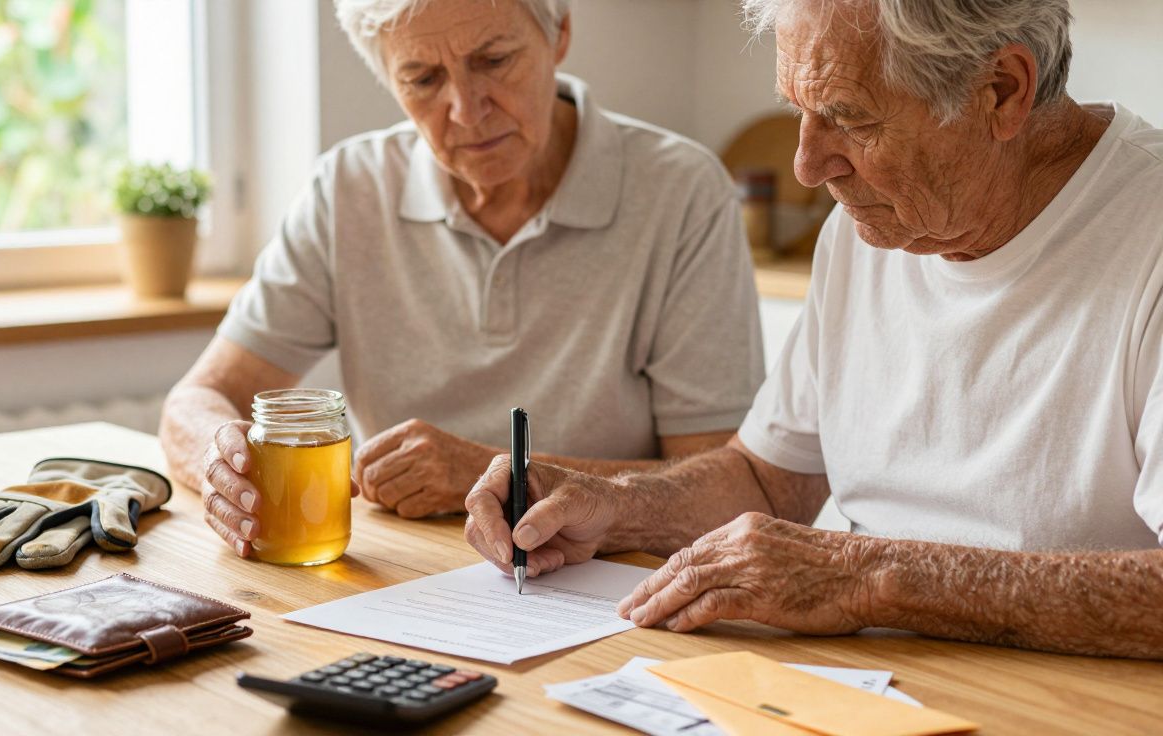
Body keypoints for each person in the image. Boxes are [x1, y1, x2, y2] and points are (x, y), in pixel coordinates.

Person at [464, 0, 1163, 658]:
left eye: (850, 119)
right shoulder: (868, 228)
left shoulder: (1145, 234)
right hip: (859, 687)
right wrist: (612, 506)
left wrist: (868, 578)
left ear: (1003, 91)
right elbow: (769, 481)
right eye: (799, 111)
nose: (806, 165)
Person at [159, 0, 764, 556]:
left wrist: (499, 473)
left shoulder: (682, 191)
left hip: (611, 581)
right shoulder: (349, 188)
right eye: (423, 79)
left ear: (559, 33)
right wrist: (223, 460)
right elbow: (196, 400)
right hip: (405, 575)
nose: (467, 111)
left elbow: (725, 484)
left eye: (494, 61)